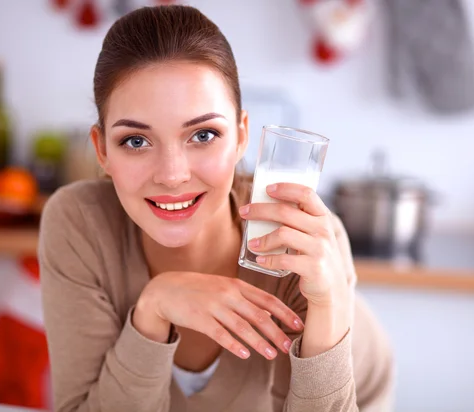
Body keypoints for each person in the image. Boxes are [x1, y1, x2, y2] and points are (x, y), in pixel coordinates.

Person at [38, 5, 394, 412]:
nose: (172, 175)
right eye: (136, 141)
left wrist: (328, 307)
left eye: (203, 134)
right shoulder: (80, 224)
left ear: (242, 136)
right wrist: (152, 310)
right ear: (102, 149)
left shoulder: (303, 244)